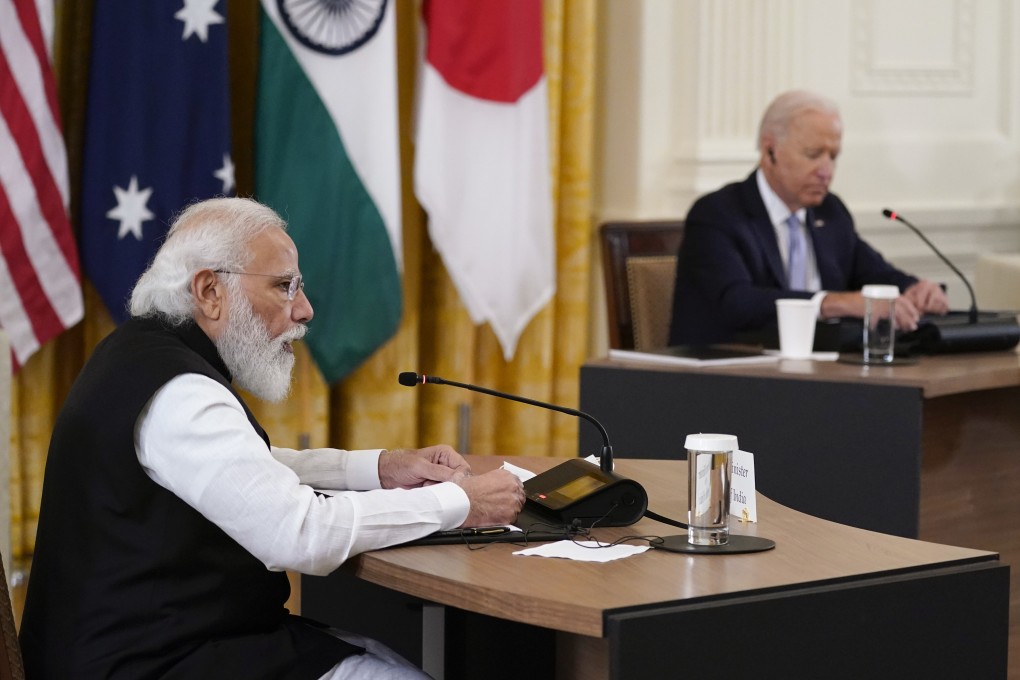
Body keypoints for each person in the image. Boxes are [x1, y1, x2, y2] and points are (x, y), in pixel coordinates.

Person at [19, 197, 526, 679]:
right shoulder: (180, 393)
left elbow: (243, 470)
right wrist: (462, 502)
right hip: (147, 663)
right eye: (285, 286)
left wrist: (380, 469)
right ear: (209, 291)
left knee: (388, 659)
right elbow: (299, 534)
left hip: (160, 643)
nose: (304, 310)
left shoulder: (140, 354)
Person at [668, 89, 949, 347]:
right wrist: (830, 303)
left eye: (833, 156)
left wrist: (913, 289)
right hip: (732, 369)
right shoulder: (718, 214)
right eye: (813, 154)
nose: (826, 171)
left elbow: (874, 272)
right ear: (769, 151)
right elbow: (738, 303)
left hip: (820, 370)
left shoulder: (830, 212)